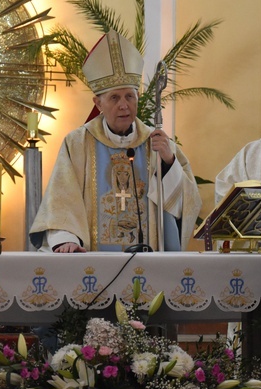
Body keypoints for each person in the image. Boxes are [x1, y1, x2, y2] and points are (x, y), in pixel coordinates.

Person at [29, 30, 202, 252]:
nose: (124, 105)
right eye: (114, 98)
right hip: (92, 261)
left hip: (147, 263)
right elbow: (62, 201)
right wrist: (67, 239)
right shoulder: (78, 143)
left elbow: (188, 204)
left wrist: (168, 162)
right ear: (98, 103)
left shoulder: (157, 143)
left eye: (130, 96)